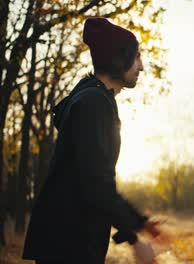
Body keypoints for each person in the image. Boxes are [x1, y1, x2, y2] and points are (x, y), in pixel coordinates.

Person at [23, 17, 161, 264]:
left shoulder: (94, 99)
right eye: (137, 57)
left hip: (69, 240)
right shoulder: (93, 104)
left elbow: (94, 177)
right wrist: (134, 237)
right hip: (68, 244)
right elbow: (95, 181)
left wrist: (140, 223)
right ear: (120, 60)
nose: (141, 66)